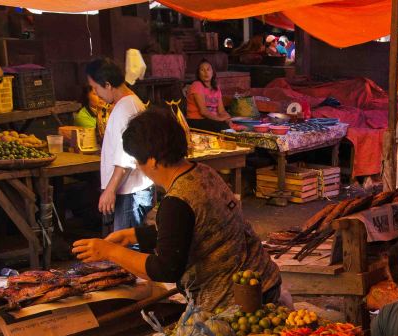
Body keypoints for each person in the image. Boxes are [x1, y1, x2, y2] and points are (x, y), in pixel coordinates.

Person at [71, 107, 280, 311]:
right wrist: (133, 236)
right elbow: (189, 229)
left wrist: (110, 251)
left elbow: (166, 268)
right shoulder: (203, 172)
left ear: (152, 161)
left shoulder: (177, 200)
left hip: (236, 302)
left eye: (138, 161)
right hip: (264, 281)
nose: (138, 167)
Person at [86, 58, 153, 232]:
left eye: (96, 88)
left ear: (107, 85)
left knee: (128, 248)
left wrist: (110, 190)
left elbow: (126, 157)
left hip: (131, 193)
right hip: (132, 190)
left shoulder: (126, 108)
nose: (96, 93)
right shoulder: (129, 103)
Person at [186, 59, 231, 133]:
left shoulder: (216, 87)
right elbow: (203, 111)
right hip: (196, 120)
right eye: (202, 70)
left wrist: (227, 118)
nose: (205, 73)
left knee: (232, 126)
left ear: (213, 72)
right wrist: (220, 119)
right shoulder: (197, 85)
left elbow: (221, 110)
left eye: (208, 69)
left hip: (212, 120)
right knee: (223, 127)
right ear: (198, 73)